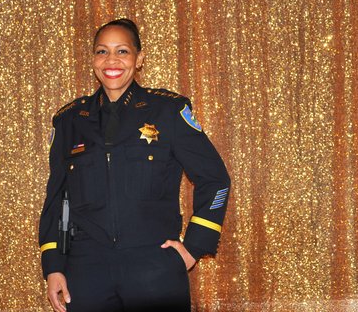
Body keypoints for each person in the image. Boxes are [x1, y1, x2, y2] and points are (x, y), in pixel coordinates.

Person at [38, 18, 230, 312]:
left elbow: (215, 179)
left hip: (154, 269)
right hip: (86, 271)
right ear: (92, 60)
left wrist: (193, 248)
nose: (111, 60)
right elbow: (57, 201)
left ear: (139, 59)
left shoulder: (167, 111)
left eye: (122, 51)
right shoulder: (69, 121)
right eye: (102, 51)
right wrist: (53, 266)